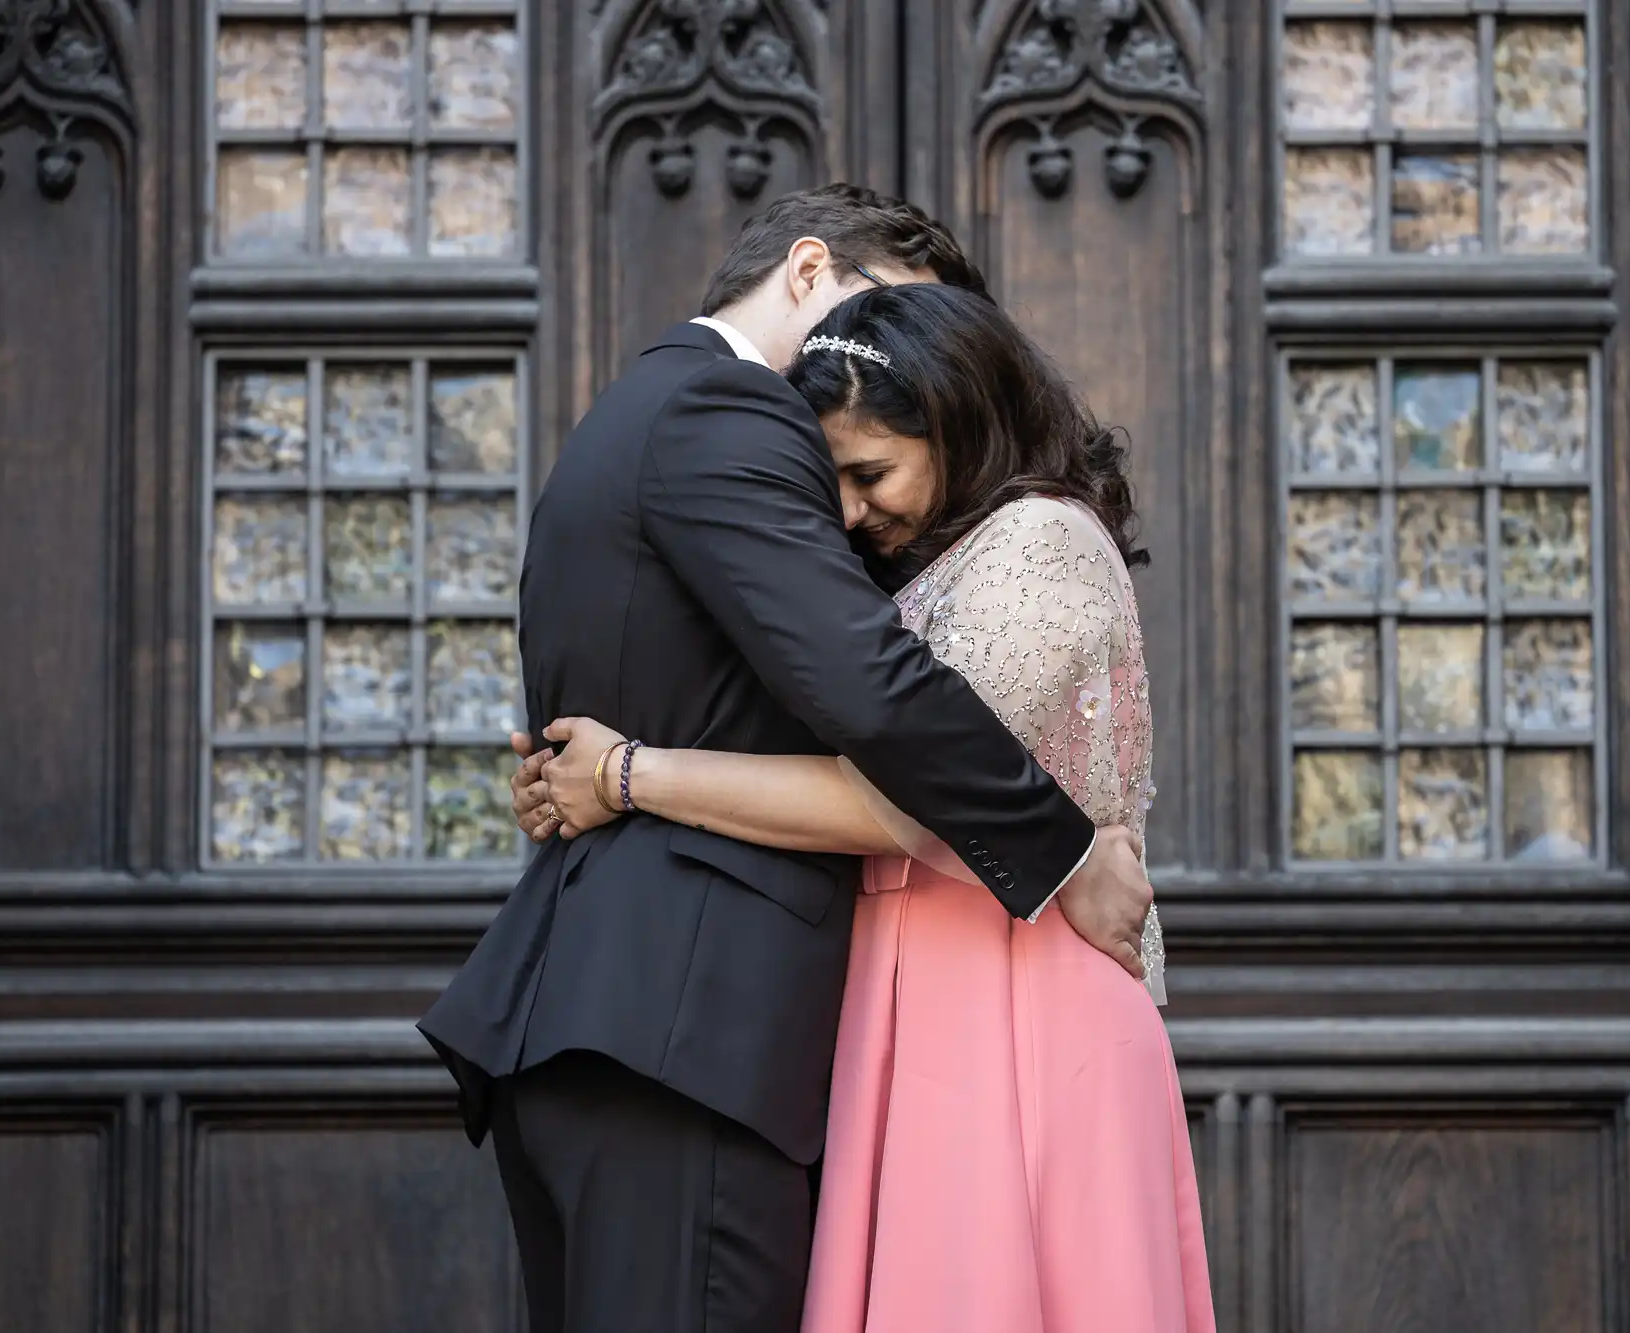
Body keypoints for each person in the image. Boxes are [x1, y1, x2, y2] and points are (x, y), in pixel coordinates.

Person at [416, 184, 1156, 1333]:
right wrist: (1061, 848)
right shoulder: (723, 408)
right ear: (809, 274)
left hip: (653, 1011)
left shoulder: (655, 412)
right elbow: (873, 686)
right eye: (890, 317)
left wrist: (611, 771)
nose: (910, 358)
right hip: (682, 1021)